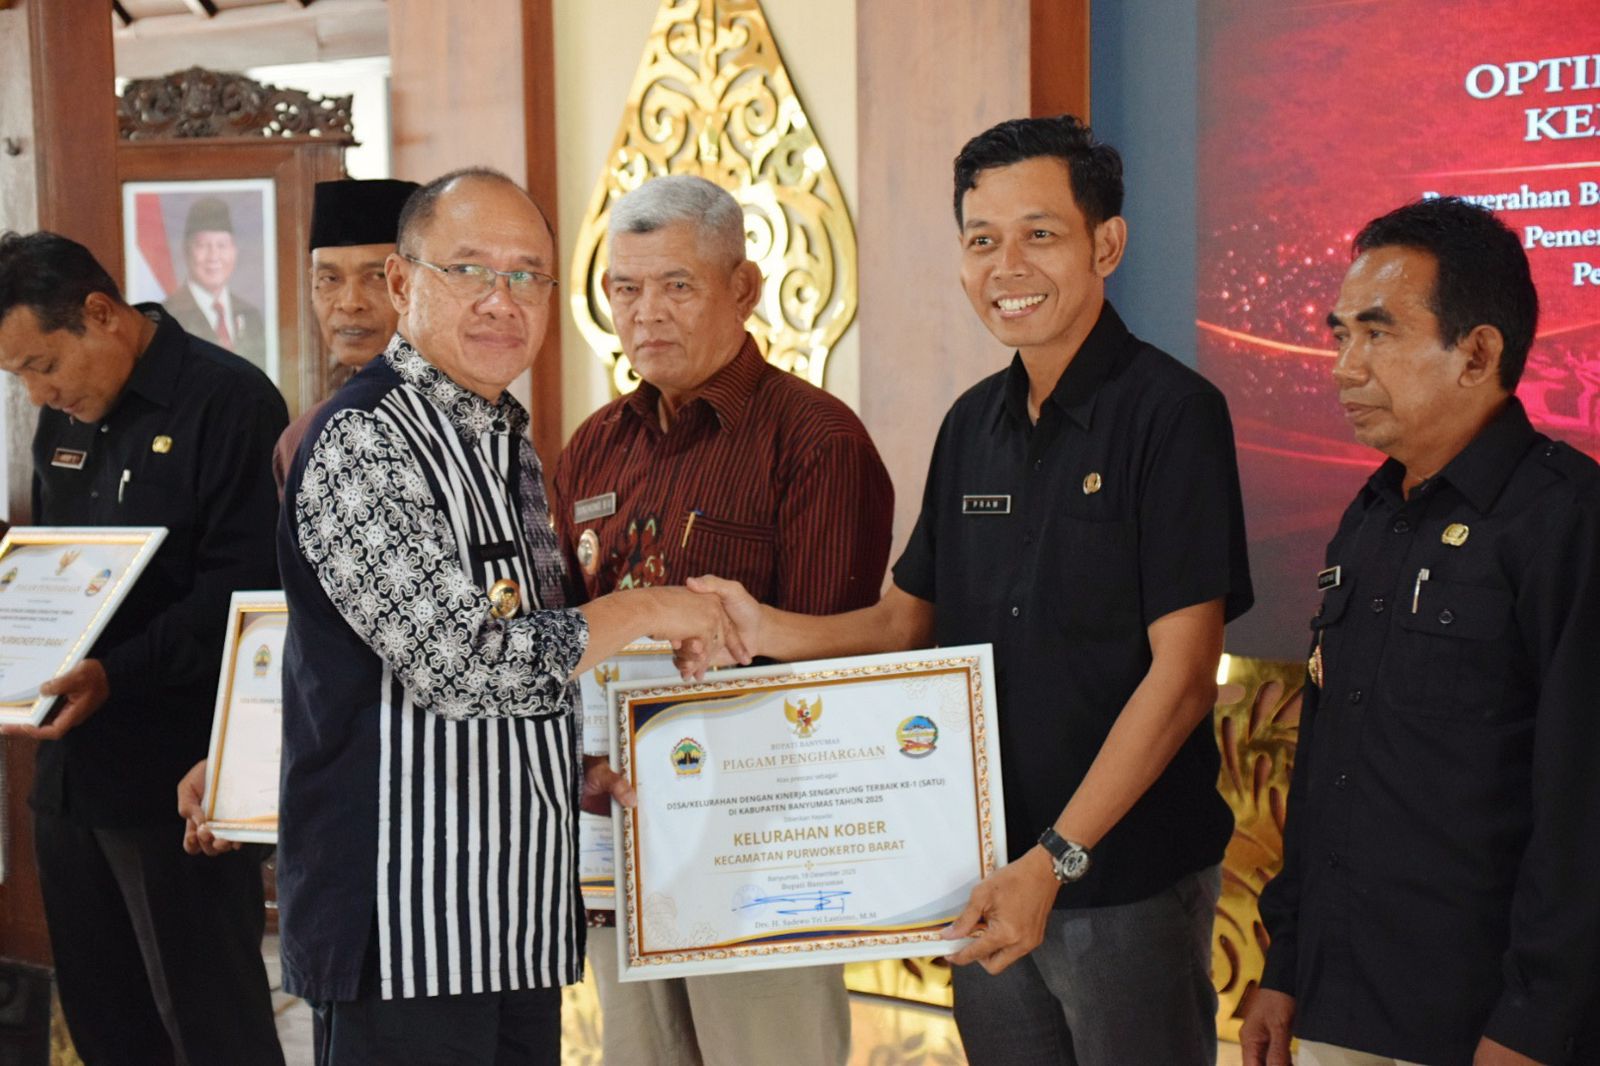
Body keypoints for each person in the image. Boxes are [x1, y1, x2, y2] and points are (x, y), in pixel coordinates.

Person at [684, 114, 1252, 1066]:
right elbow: (908, 621)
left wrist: (1055, 860)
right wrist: (760, 627)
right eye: (981, 240)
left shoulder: (1174, 415)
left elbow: (1185, 675)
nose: (1006, 266)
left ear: (1106, 245)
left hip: (1125, 882)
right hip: (980, 871)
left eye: (1040, 234)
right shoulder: (970, 425)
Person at [276, 167, 741, 1065]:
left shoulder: (507, 445)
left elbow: (524, 659)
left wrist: (567, 766)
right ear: (403, 282)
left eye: (527, 275)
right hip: (405, 928)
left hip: (515, 916)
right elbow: (464, 665)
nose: (503, 300)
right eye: (469, 271)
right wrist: (652, 608)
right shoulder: (363, 439)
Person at [1240, 198, 1600, 1066]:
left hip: (1479, 1023)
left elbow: (1582, 806)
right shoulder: (1369, 517)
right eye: (1339, 336)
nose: (1343, 367)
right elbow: (1325, 766)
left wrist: (1534, 1022)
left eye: (1377, 333)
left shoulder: (1567, 520)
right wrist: (1285, 964)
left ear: (1477, 353)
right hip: (1338, 1002)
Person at [553, 174, 894, 1066]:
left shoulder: (817, 441)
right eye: (625, 288)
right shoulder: (593, 446)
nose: (645, 314)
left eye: (677, 285)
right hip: (618, 842)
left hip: (760, 855)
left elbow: (828, 674)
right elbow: (559, 638)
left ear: (742, 288)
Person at [0, 231, 288, 1065]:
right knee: (106, 1027)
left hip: (179, 785)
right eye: (19, 377)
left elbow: (244, 592)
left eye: (43, 365)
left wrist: (116, 672)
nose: (39, 394)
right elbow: (56, 574)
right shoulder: (63, 421)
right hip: (69, 779)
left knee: (211, 1027)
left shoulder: (229, 402)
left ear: (100, 313)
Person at [175, 177, 421, 858]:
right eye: (327, 279)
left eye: (375, 276)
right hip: (338, 772)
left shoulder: (470, 421)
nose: (349, 302)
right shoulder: (301, 438)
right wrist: (238, 762)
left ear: (415, 284)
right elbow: (301, 623)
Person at [163, 197, 268, 371]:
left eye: (222, 245)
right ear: (186, 250)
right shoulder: (168, 316)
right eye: (202, 245)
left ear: (234, 251)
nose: (213, 256)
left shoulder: (251, 316)